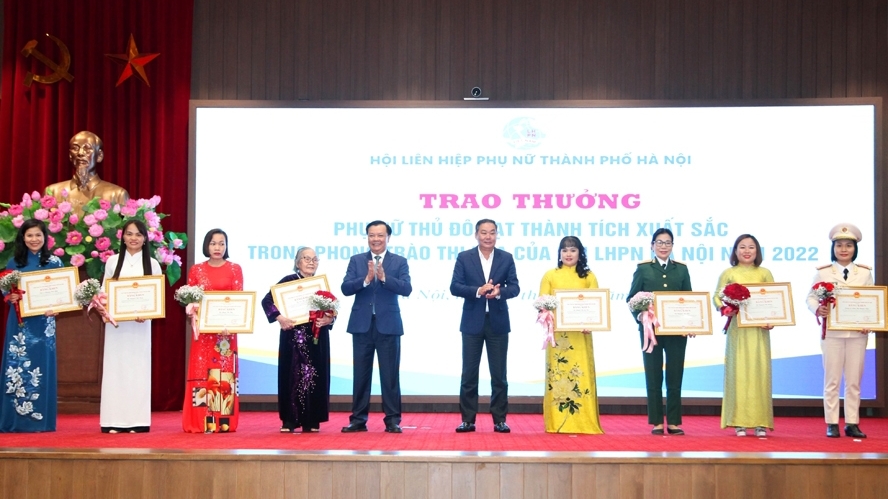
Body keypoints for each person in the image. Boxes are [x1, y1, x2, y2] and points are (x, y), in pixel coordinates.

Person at [340, 221, 412, 434]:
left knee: (390, 376)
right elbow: (345, 288)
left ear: (388, 237)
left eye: (380, 235)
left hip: (388, 326)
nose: (376, 239)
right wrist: (366, 280)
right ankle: (358, 420)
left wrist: (384, 278)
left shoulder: (399, 261)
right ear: (367, 237)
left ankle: (392, 420)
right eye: (372, 235)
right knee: (361, 375)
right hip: (361, 325)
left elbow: (407, 288)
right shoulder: (357, 260)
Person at [450, 219, 520, 434]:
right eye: (483, 232)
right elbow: (455, 287)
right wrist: (478, 291)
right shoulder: (464, 257)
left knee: (499, 376)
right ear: (476, 235)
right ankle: (468, 420)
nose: (488, 236)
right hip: (472, 323)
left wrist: (499, 292)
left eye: (492, 232)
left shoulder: (506, 258)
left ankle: (500, 420)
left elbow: (515, 287)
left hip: (498, 323)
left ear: (497, 234)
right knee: (469, 375)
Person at [806, 223, 873, 439]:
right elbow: (810, 298)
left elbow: (871, 301)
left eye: (848, 245)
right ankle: (832, 422)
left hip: (857, 334)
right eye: (839, 245)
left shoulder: (864, 273)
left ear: (855, 248)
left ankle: (852, 422)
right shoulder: (824, 272)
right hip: (832, 334)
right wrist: (819, 309)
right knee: (832, 380)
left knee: (854, 381)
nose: (844, 249)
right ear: (833, 248)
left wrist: (871, 321)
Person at [261, 247, 334, 433]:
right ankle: (290, 420)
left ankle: (312, 420)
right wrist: (280, 318)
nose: (311, 262)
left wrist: (329, 319)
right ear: (297, 262)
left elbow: (332, 310)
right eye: (306, 258)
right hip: (293, 339)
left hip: (317, 339)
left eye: (315, 259)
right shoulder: (288, 281)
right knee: (291, 377)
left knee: (315, 377)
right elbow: (267, 301)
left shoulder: (320, 285)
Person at [0, 219, 64, 432]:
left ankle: (41, 421)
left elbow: (63, 293)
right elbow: (6, 291)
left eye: (38, 235)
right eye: (29, 235)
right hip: (20, 323)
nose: (34, 239)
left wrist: (59, 306)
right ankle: (15, 420)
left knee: (42, 365)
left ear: (45, 237)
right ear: (23, 238)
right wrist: (10, 297)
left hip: (44, 323)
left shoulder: (54, 262)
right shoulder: (13, 263)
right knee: (17, 365)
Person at [627, 228, 692, 435]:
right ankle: (656, 421)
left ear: (673, 246)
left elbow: (689, 300)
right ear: (652, 245)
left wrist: (691, 324)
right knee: (653, 376)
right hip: (650, 331)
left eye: (668, 243)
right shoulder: (643, 269)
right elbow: (631, 299)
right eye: (660, 242)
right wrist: (641, 316)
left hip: (676, 332)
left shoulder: (681, 270)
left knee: (675, 375)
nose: (664, 246)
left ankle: (673, 421)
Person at [100, 220, 162, 433]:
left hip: (140, 326)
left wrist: (147, 313)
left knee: (138, 370)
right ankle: (113, 421)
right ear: (123, 237)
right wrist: (106, 310)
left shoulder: (152, 264)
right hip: (116, 326)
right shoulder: (112, 261)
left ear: (145, 238)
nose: (133, 238)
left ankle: (138, 421)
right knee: (115, 370)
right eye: (129, 233)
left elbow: (156, 296)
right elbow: (104, 293)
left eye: (138, 234)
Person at [539, 236, 603, 434]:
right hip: (558, 337)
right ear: (559, 253)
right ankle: (558, 422)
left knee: (580, 374)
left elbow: (595, 305)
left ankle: (584, 422)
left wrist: (590, 322)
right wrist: (546, 313)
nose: (568, 254)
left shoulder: (589, 276)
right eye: (565, 250)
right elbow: (542, 304)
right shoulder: (550, 275)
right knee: (559, 375)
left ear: (580, 253)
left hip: (581, 335)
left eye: (573, 250)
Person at [182, 229, 243, 433]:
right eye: (213, 243)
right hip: (204, 333)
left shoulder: (234, 269)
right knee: (202, 374)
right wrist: (193, 311)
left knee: (224, 375)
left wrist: (230, 324)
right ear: (206, 245)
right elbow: (191, 299)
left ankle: (222, 423)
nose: (217, 247)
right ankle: (202, 422)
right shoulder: (196, 270)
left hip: (225, 333)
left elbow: (238, 300)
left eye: (221, 243)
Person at [713, 234, 774, 437]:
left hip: (759, 330)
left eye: (751, 247)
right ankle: (738, 421)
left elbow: (774, 298)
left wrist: (773, 318)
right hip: (737, 331)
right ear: (735, 251)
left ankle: (760, 422)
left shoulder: (765, 273)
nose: (747, 251)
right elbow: (717, 296)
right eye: (742, 247)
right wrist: (724, 308)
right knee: (738, 373)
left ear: (757, 251)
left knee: (759, 373)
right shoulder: (728, 273)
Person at [45, 131, 130, 216]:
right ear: (70, 155)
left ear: (99, 155)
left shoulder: (117, 194)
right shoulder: (53, 192)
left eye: (87, 149)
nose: (80, 153)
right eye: (75, 148)